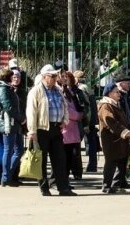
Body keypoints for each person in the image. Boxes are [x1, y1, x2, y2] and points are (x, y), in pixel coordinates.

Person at [27, 64, 77, 196]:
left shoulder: (58, 90)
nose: (55, 78)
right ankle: (44, 188)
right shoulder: (36, 91)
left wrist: (64, 121)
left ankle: (63, 188)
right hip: (41, 129)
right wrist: (32, 131)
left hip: (56, 128)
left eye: (56, 75)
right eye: (52, 76)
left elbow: (64, 106)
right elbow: (31, 112)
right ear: (44, 77)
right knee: (41, 161)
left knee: (60, 159)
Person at [98, 80, 130, 193]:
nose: (119, 94)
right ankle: (106, 186)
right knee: (111, 162)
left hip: (120, 139)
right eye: (116, 92)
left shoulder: (115, 104)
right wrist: (124, 132)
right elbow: (111, 122)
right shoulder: (105, 106)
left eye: (118, 92)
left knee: (122, 160)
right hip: (111, 140)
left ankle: (118, 183)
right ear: (109, 93)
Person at [0, 68, 24, 187]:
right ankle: (6, 177)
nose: (14, 78)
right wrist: (21, 118)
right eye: (11, 76)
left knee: (19, 150)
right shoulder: (2, 89)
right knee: (9, 150)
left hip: (14, 122)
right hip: (8, 123)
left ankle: (8, 174)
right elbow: (8, 107)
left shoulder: (7, 88)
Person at [61, 71, 85, 180]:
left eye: (67, 77)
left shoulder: (72, 92)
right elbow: (67, 110)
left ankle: (72, 176)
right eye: (63, 77)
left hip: (73, 129)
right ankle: (63, 179)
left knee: (72, 155)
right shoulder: (60, 92)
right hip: (65, 129)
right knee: (64, 157)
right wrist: (78, 115)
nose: (65, 79)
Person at [74, 70, 99, 173]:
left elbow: (86, 107)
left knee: (76, 143)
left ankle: (78, 166)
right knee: (91, 143)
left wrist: (86, 123)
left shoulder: (81, 89)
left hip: (85, 121)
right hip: (91, 120)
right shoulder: (89, 88)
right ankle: (92, 165)